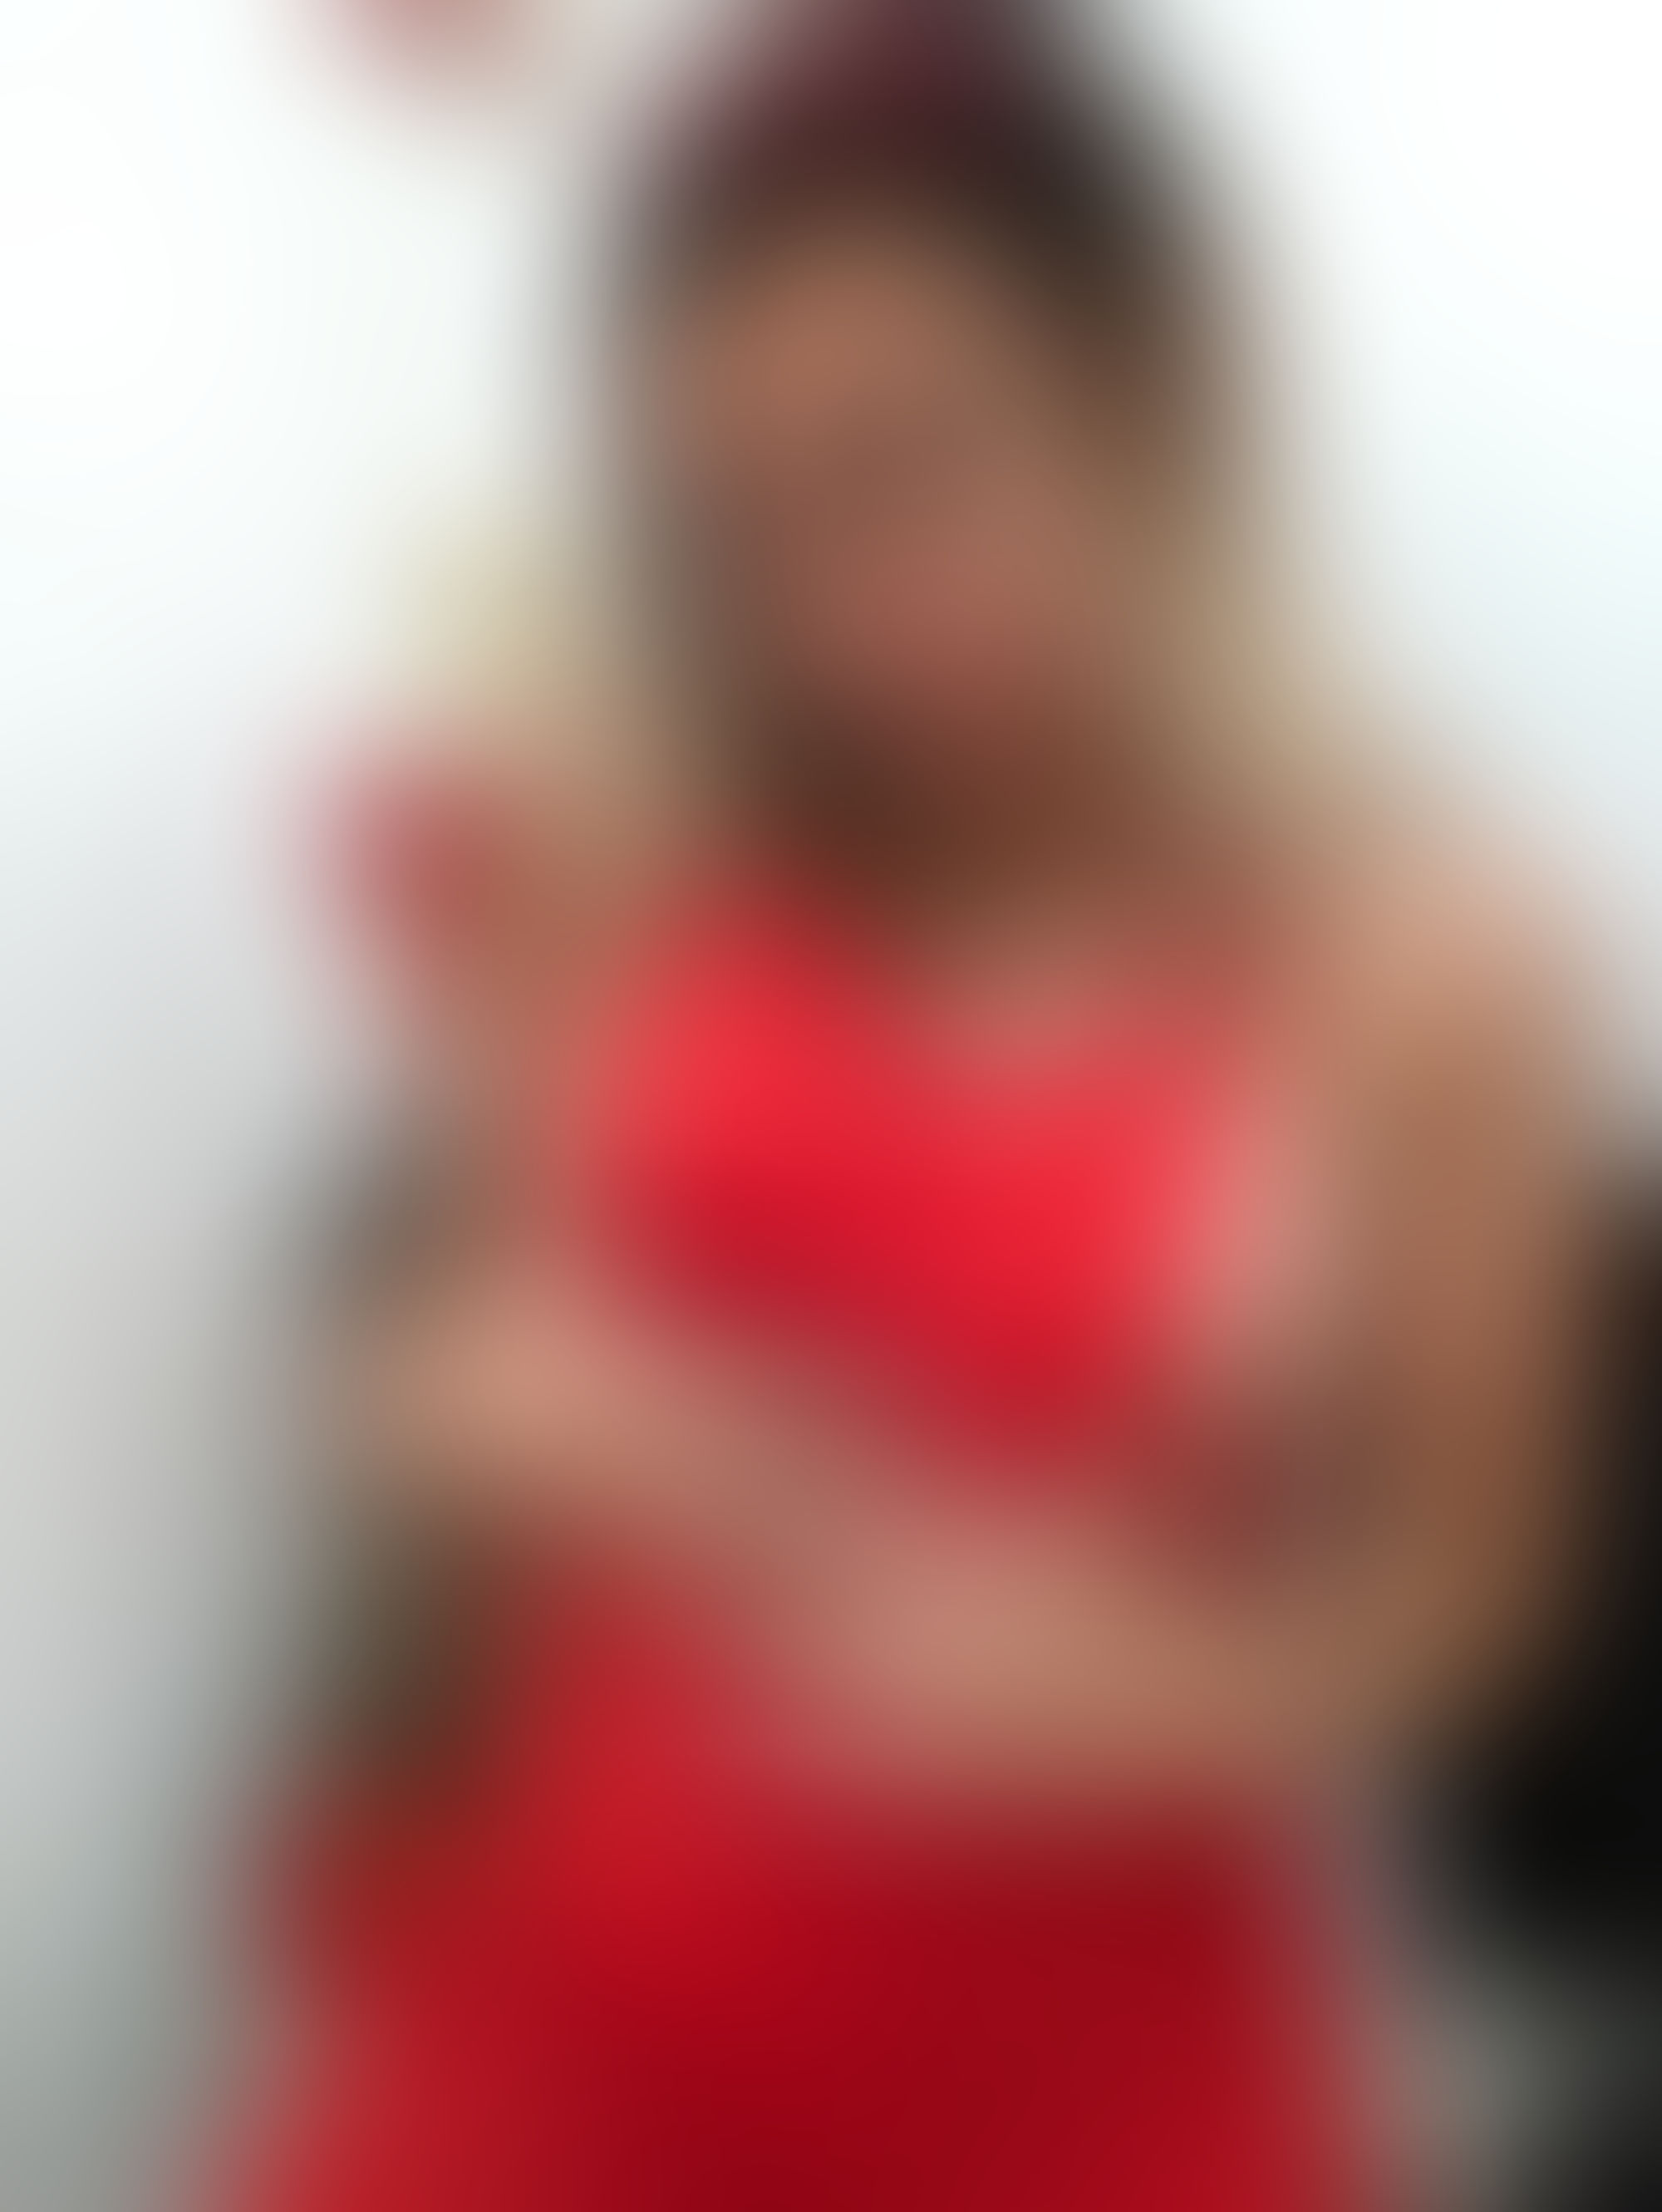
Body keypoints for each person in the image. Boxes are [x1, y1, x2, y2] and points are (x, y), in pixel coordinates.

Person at [223, 3, 1587, 2205]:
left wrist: (1168, 1688)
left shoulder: (1423, 962)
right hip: (540, 2025)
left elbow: (1471, 1598)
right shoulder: (626, 835)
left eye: (905, 471)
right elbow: (431, 1360)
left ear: (1148, 389)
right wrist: (498, 1410)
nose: (830, 623)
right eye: (741, 526)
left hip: (1072, 2078)